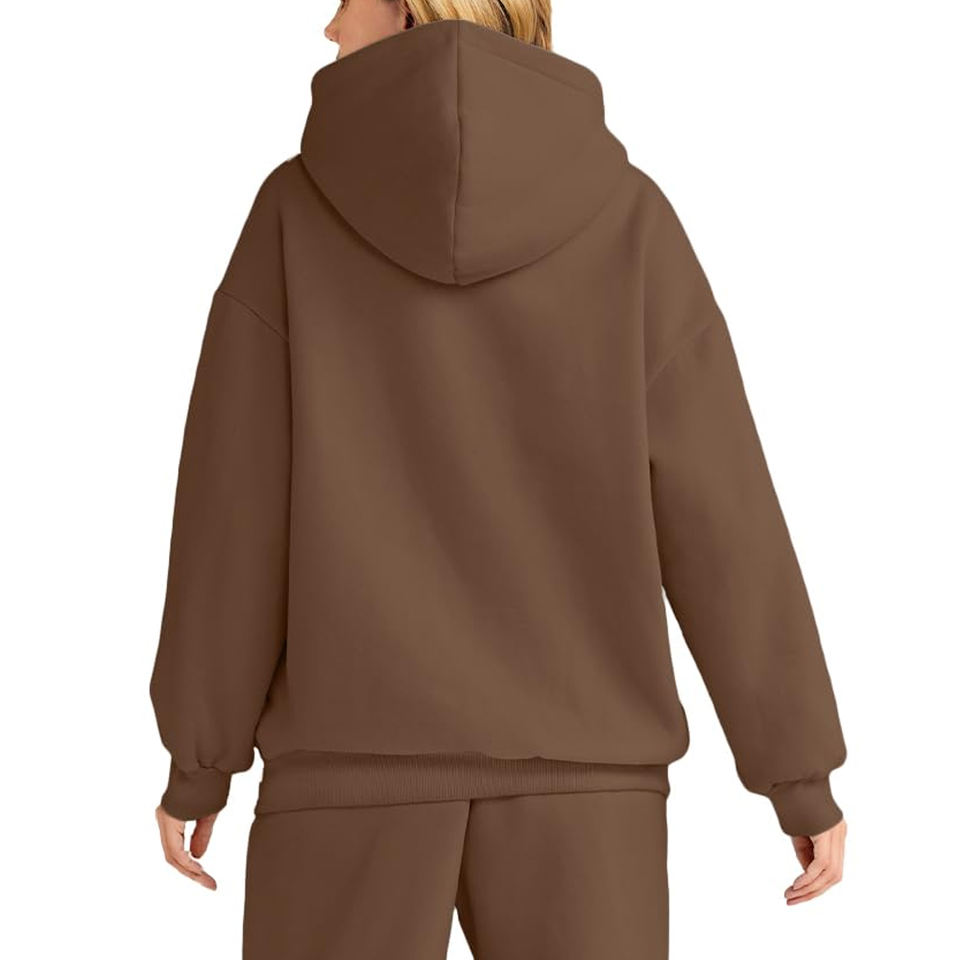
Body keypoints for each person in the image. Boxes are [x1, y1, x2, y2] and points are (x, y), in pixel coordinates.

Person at [149, 1, 848, 957]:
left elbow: (233, 510)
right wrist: (796, 770)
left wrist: (202, 756)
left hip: (343, 781)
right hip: (589, 794)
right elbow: (723, 517)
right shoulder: (627, 216)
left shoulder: (292, 212)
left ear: (409, 5)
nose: (329, 27)